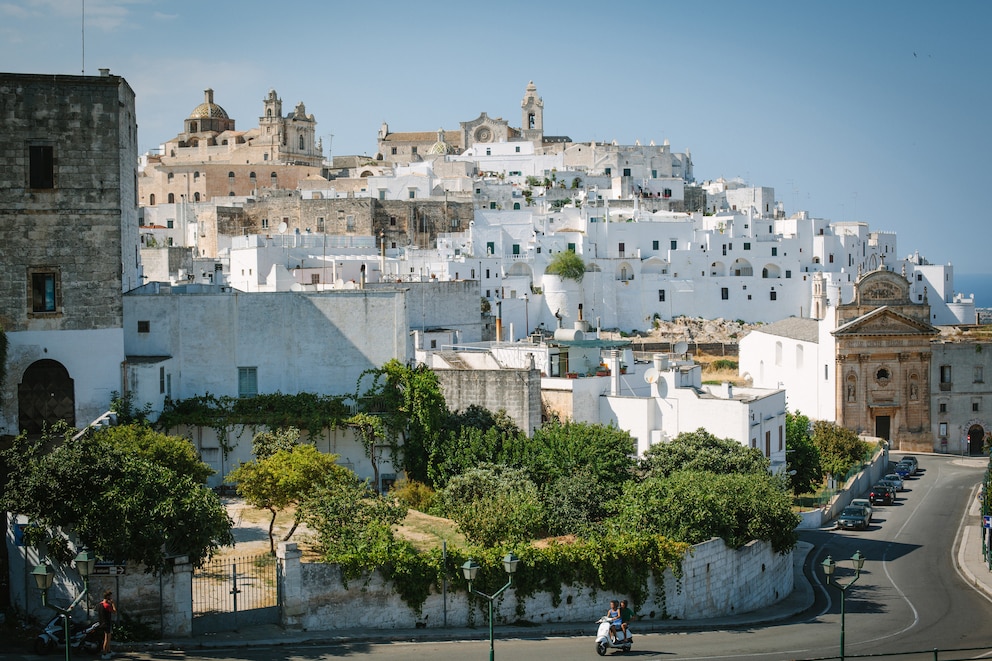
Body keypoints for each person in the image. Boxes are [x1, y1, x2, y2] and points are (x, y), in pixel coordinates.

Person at [98, 590, 116, 660]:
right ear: (108, 596)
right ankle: (104, 653)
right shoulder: (107, 605)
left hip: (102, 622)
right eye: (110, 596)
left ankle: (108, 651)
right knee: (107, 639)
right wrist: (113, 604)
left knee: (108, 637)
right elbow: (114, 611)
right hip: (106, 623)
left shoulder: (100, 604)